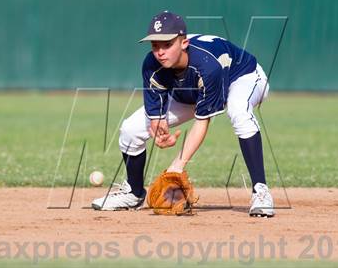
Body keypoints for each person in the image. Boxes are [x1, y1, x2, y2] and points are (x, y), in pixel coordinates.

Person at [92, 11, 275, 217]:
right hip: (190, 91)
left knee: (238, 110)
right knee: (131, 129)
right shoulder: (151, 65)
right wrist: (159, 132)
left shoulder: (207, 65)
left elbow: (203, 121)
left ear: (184, 43)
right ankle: (133, 193)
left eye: (167, 44)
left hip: (243, 77)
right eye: (155, 46)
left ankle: (261, 191)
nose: (160, 52)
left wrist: (177, 165)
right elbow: (156, 118)